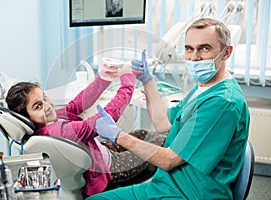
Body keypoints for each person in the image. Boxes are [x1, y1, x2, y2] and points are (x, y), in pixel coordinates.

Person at [87, 18, 250, 199]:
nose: (194, 57)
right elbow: (163, 123)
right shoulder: (204, 88)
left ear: (226, 52)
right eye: (189, 48)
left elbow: (168, 160)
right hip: (166, 186)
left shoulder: (222, 103)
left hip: (192, 194)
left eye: (204, 48)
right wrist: (147, 80)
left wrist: (119, 136)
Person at [5, 66, 166, 197]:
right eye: (38, 106)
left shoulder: (48, 123)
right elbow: (108, 115)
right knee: (158, 142)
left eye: (44, 98)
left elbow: (78, 104)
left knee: (143, 134)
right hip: (109, 169)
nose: (47, 106)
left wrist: (103, 79)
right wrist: (128, 82)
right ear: (27, 118)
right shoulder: (61, 131)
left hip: (102, 152)